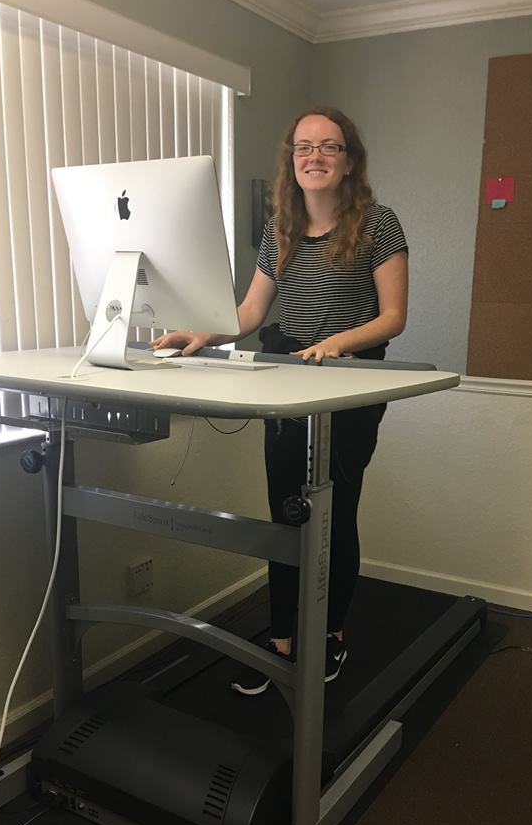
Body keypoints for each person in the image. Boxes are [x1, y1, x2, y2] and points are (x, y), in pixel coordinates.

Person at [151, 107, 408, 695]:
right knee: (286, 513)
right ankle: (285, 638)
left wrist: (333, 345)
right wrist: (203, 333)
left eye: (329, 147)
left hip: (348, 383)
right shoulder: (279, 230)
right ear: (291, 161)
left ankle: (331, 636)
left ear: (349, 161)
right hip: (286, 381)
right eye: (303, 148)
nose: (314, 157)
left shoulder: (378, 225)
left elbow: (393, 317)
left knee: (335, 513)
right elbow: (249, 314)